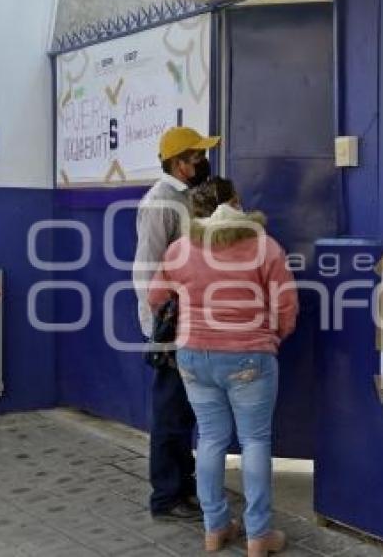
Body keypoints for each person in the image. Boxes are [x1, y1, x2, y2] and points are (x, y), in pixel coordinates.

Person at [148, 178, 299, 556]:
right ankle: (259, 535)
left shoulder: (180, 249)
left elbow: (155, 298)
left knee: (211, 439)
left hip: (193, 356)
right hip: (249, 356)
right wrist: (273, 336)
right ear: (240, 206)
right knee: (254, 441)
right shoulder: (264, 247)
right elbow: (287, 306)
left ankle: (215, 529)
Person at [133, 126, 220, 521]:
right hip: (171, 326)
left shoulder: (185, 199)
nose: (203, 162)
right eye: (197, 157)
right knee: (170, 413)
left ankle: (183, 489)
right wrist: (159, 328)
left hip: (190, 324)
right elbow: (147, 268)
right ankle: (166, 497)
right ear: (179, 163)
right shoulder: (160, 203)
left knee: (184, 411)